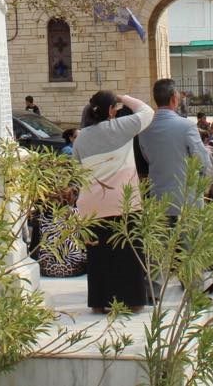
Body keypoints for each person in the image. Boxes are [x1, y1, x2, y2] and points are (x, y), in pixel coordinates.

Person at [73, 91, 155, 314]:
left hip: (92, 204)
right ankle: (132, 300)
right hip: (123, 201)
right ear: (111, 110)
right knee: (128, 253)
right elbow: (147, 112)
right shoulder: (121, 127)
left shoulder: (81, 137)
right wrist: (124, 97)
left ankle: (100, 301)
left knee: (99, 256)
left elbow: (77, 169)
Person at [137, 78, 213, 218]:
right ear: (174, 98)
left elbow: (147, 157)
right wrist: (205, 185)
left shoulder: (144, 129)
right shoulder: (187, 126)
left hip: (158, 197)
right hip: (186, 198)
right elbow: (202, 161)